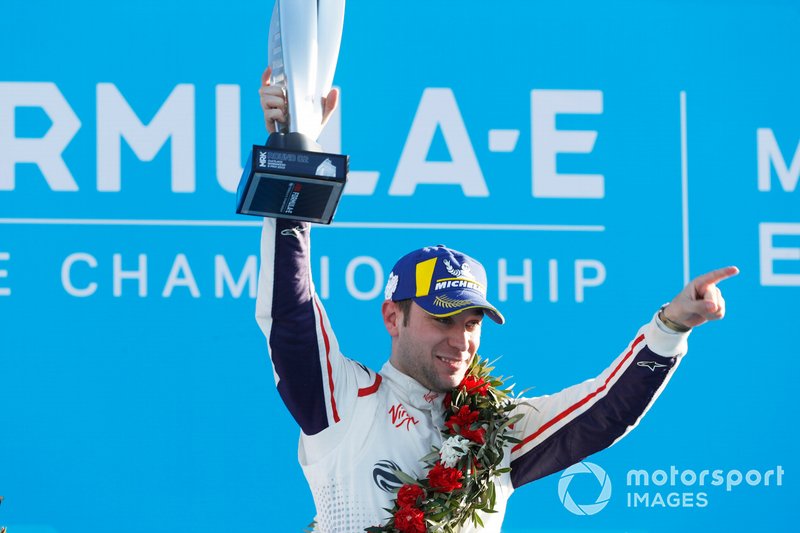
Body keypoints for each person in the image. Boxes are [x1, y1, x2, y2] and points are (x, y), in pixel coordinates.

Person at [255, 68, 739, 532]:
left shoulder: (494, 433)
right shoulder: (345, 402)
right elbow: (290, 313)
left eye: (472, 322)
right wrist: (297, 157)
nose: (461, 340)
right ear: (392, 317)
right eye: (443, 318)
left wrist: (670, 327)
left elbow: (603, 412)